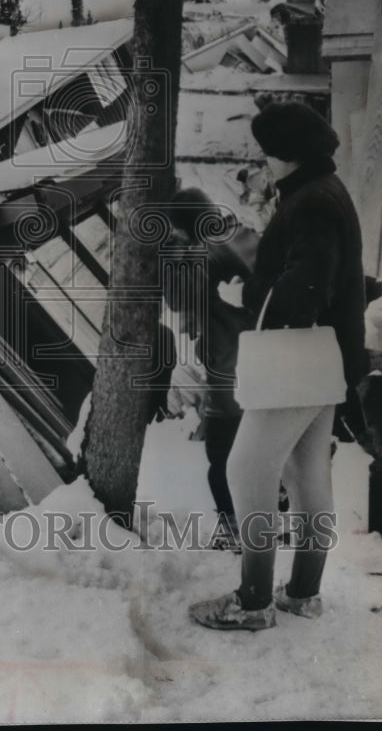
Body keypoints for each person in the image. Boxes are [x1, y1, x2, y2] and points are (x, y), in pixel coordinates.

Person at [189, 101, 368, 630]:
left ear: (284, 155)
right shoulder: (324, 191)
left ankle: (253, 602)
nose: (262, 164)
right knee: (307, 471)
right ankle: (304, 592)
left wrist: (248, 295)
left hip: (298, 354)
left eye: (266, 155)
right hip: (326, 354)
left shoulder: (310, 201)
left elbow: (305, 284)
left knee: (246, 468)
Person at [163, 188, 259, 536]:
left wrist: (174, 246)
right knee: (258, 443)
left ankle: (235, 528)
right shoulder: (243, 236)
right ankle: (270, 511)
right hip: (263, 357)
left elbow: (178, 298)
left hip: (230, 367)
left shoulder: (204, 251)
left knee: (221, 453)